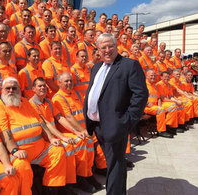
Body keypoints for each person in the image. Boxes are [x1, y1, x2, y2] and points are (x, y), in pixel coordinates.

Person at [84, 33, 148, 195]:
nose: (107, 50)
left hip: (116, 125)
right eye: (103, 47)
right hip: (97, 125)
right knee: (114, 163)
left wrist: (126, 122)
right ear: (98, 50)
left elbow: (140, 95)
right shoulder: (97, 67)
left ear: (116, 46)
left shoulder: (129, 65)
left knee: (115, 164)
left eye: (110, 46)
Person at [0, 77, 67, 194]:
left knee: (58, 151)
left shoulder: (25, 102)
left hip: (39, 149)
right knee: (22, 166)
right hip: (16, 152)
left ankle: (51, 190)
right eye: (7, 88)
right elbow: (4, 133)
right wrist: (14, 150)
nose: (11, 91)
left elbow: (40, 122)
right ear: (1, 90)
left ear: (19, 89)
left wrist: (51, 138)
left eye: (14, 88)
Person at [30, 77, 102, 193]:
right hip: (47, 138)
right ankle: (67, 183)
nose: (43, 88)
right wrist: (63, 137)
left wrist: (76, 131)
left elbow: (59, 117)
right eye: (39, 86)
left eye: (44, 85)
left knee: (83, 140)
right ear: (33, 89)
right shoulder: (32, 104)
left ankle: (84, 175)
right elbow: (46, 124)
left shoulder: (48, 101)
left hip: (56, 135)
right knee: (68, 146)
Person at [145, 69, 174, 138]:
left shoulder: (154, 86)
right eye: (151, 75)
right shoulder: (143, 85)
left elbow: (158, 98)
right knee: (161, 110)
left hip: (154, 107)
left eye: (154, 75)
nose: (153, 77)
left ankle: (168, 127)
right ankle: (161, 131)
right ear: (147, 76)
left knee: (164, 108)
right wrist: (146, 103)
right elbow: (138, 97)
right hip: (145, 107)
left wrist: (160, 105)